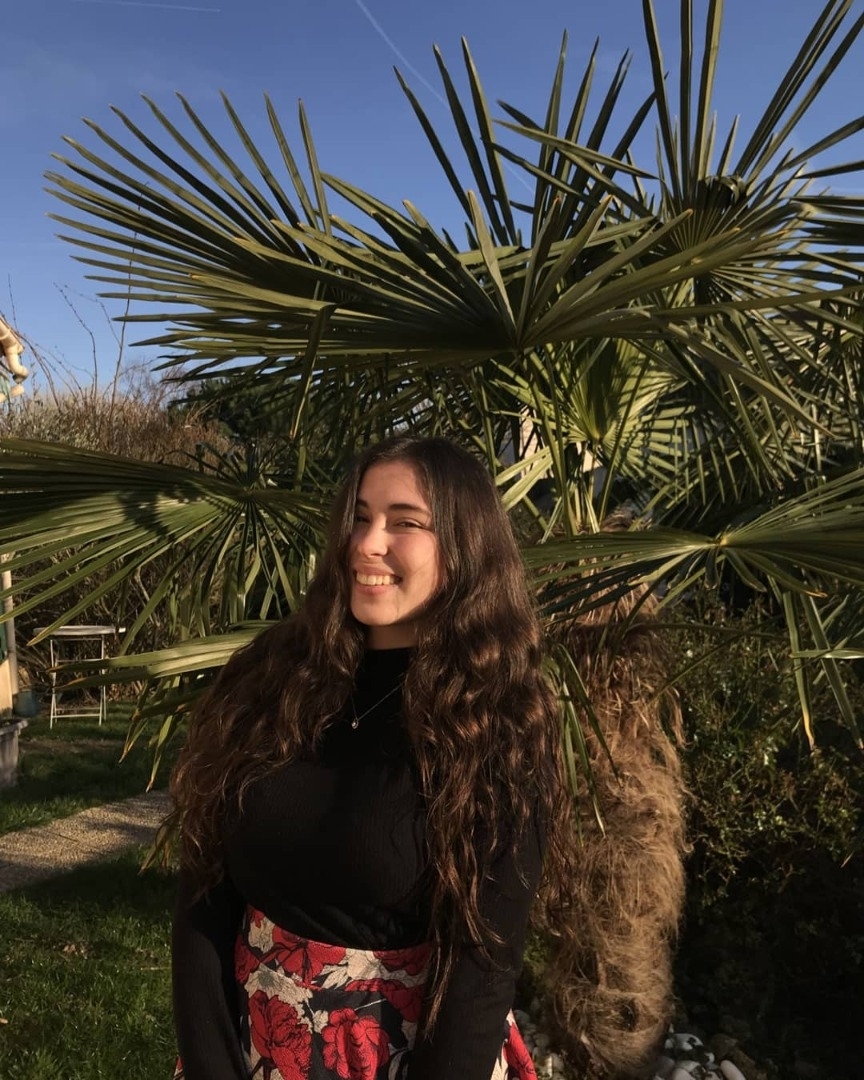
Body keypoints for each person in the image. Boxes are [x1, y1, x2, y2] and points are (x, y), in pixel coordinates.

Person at [169, 435, 577, 1080]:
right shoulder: (271, 676)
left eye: (404, 522)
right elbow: (203, 888)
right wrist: (209, 1064)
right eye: (359, 517)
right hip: (249, 1044)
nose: (366, 543)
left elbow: (483, 966)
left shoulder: (499, 721)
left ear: (465, 546)